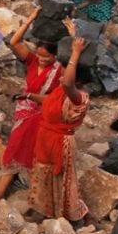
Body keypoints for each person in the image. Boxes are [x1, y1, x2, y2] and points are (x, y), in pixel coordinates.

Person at [0, 5, 63, 205]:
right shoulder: (32, 61)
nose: (41, 60)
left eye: (46, 58)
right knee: (14, 150)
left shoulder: (59, 72)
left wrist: (32, 96)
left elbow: (56, 100)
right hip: (25, 114)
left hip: (43, 118)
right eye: (39, 56)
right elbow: (14, 41)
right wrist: (31, 18)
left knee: (36, 156)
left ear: (55, 57)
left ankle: (38, 199)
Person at [27, 20, 91, 222]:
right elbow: (49, 102)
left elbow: (69, 81)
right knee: (42, 172)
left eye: (66, 71)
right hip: (46, 136)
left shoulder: (78, 96)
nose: (62, 75)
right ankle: (43, 210)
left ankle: (61, 214)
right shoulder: (60, 92)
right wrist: (29, 96)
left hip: (59, 142)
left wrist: (76, 53)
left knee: (58, 177)